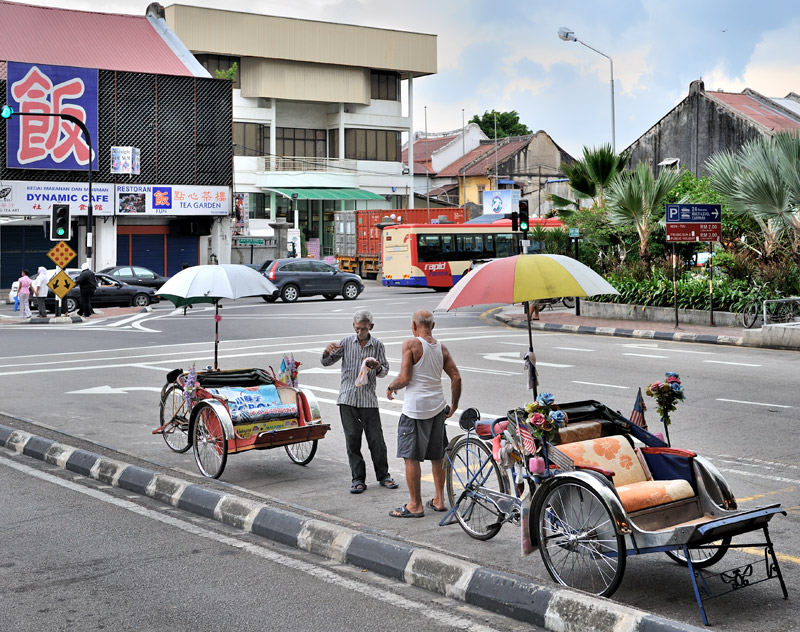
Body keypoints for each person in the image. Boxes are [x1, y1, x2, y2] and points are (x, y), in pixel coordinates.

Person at [386, 309, 461, 518]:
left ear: (413, 326)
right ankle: (439, 500)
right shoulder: (441, 348)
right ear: (433, 326)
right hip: (438, 409)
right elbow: (456, 377)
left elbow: (405, 377)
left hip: (415, 411)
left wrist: (391, 386)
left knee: (411, 457)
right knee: (437, 456)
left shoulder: (410, 345)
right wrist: (454, 405)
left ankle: (414, 505)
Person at [321, 310, 398, 494]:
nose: (360, 332)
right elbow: (327, 362)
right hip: (347, 399)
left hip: (368, 400)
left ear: (371, 327)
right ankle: (358, 479)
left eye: (363, 329)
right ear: (353, 327)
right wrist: (326, 352)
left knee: (376, 440)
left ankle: (384, 475)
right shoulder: (346, 342)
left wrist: (377, 367)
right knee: (352, 440)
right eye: (357, 329)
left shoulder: (377, 345)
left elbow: (384, 370)